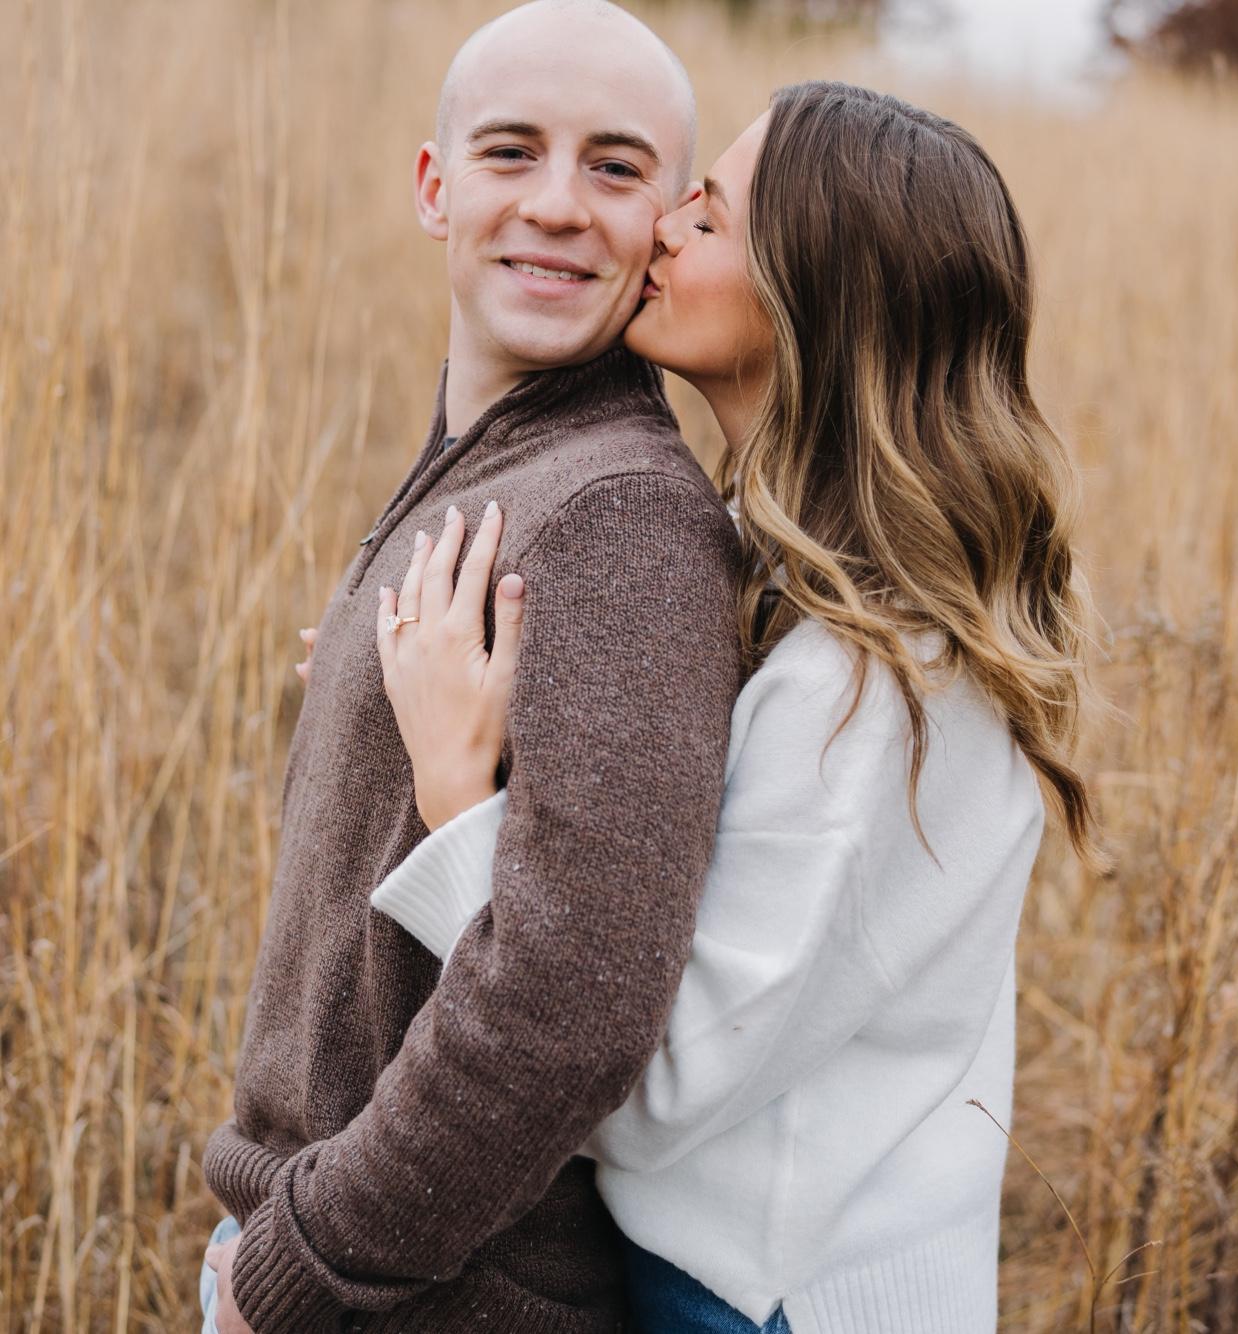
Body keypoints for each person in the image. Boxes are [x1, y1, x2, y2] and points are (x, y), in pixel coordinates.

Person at [366, 82, 1102, 1333]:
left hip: (780, 1302)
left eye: (706, 216)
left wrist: (454, 793)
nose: (656, 226)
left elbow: (644, 1084)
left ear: (814, 300)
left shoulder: (873, 693)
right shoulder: (797, 594)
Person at [199, 3, 744, 1331]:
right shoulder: (501, 462)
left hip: (429, 1291)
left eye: (614, 168)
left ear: (666, 222)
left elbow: (570, 1013)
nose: (558, 204)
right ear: (435, 190)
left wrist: (301, 1261)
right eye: (512, 152)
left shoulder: (618, 514)